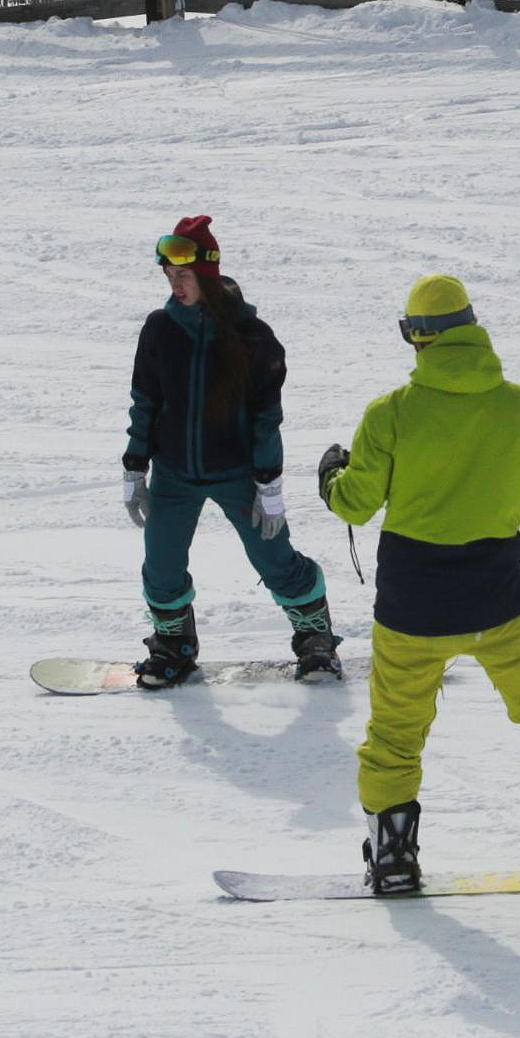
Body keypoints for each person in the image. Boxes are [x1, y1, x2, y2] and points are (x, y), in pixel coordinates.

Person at [314, 274, 520, 896]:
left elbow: (354, 504)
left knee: (396, 735)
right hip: (500, 601)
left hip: (410, 607)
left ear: (418, 338)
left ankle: (394, 857)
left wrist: (331, 475)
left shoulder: (390, 414)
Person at [122, 215, 339, 686]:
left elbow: (266, 416)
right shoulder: (160, 330)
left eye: (183, 275)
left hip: (237, 472)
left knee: (274, 560)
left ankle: (315, 638)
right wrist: (135, 467)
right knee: (160, 566)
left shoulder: (252, 337)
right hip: (175, 474)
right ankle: (173, 646)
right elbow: (145, 400)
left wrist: (270, 484)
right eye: (168, 276)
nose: (175, 285)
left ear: (208, 273)